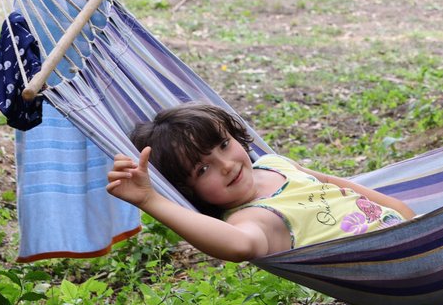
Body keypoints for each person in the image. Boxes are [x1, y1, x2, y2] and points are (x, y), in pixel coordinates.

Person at [105, 102, 414, 260]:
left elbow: (340, 185)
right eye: (202, 169)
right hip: (389, 262)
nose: (226, 165)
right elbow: (240, 246)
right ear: (188, 191)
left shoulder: (272, 163)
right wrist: (150, 200)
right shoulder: (252, 218)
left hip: (416, 234)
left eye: (224, 145)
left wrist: (405, 213)